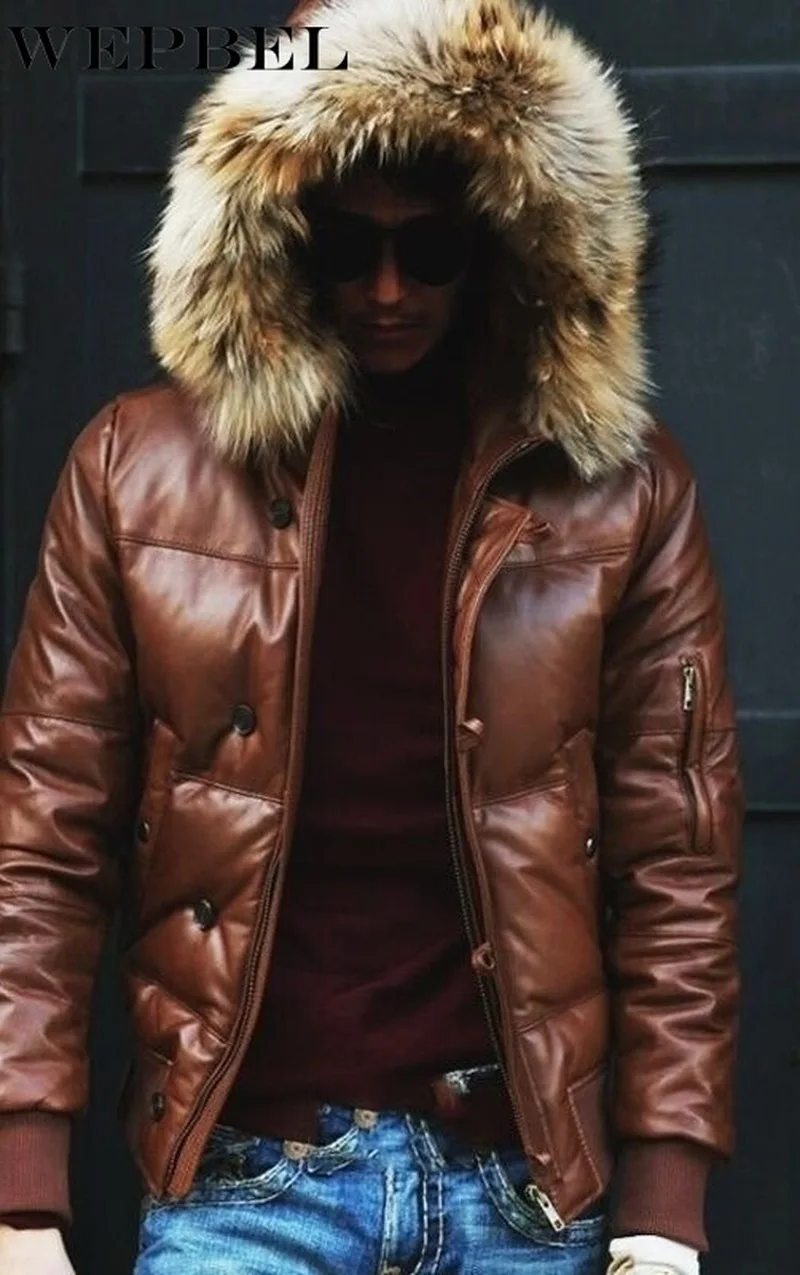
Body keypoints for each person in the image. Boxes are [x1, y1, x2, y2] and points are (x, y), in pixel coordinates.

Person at [0, 1, 744, 1273]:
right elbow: (42, 838)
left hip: (523, 1193)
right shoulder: (134, 469)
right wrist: (23, 1194)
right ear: (278, 233)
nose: (388, 291)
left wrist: (664, 1205)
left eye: (433, 247)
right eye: (345, 245)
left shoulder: (620, 488)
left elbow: (674, 857)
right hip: (246, 1185)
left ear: (503, 237)